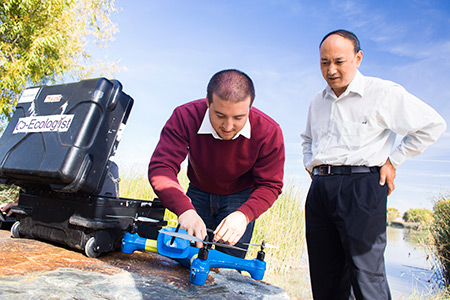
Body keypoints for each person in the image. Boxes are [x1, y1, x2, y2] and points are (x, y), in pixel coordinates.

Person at [301, 29, 446, 300]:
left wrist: (394, 160)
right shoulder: (316, 101)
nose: (331, 70)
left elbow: (432, 125)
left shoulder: (382, 93)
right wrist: (313, 168)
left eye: (339, 61)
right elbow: (307, 139)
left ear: (358, 58)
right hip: (320, 190)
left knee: (367, 277)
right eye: (324, 62)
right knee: (324, 277)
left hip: (362, 188)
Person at [148, 69, 285, 257]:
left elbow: (270, 185)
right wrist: (184, 209)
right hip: (197, 193)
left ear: (250, 107)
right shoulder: (184, 116)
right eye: (220, 115)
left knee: (227, 268)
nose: (228, 127)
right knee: (183, 259)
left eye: (238, 118)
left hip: (240, 198)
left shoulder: (269, 131)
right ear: (207, 102)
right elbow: (162, 168)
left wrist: (244, 215)